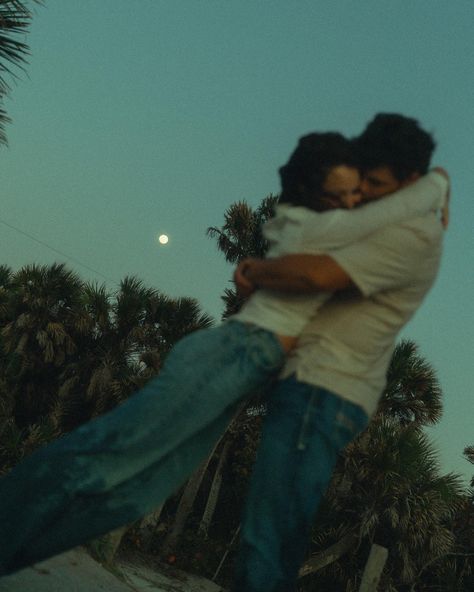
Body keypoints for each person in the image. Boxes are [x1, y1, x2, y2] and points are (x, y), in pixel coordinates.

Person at [0, 131, 446, 576]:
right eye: (340, 194)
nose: (352, 201)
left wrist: (437, 185)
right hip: (237, 350)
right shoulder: (318, 225)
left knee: (134, 493)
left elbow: (428, 184)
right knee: (111, 452)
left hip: (247, 366)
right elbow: (323, 270)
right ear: (311, 192)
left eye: (357, 192)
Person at [231, 113, 449, 592]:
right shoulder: (383, 216)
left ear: (409, 182)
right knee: (271, 534)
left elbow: (317, 276)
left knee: (270, 537)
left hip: (322, 390)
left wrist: (256, 269)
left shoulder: (412, 234)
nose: (364, 192)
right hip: (313, 386)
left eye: (376, 183)